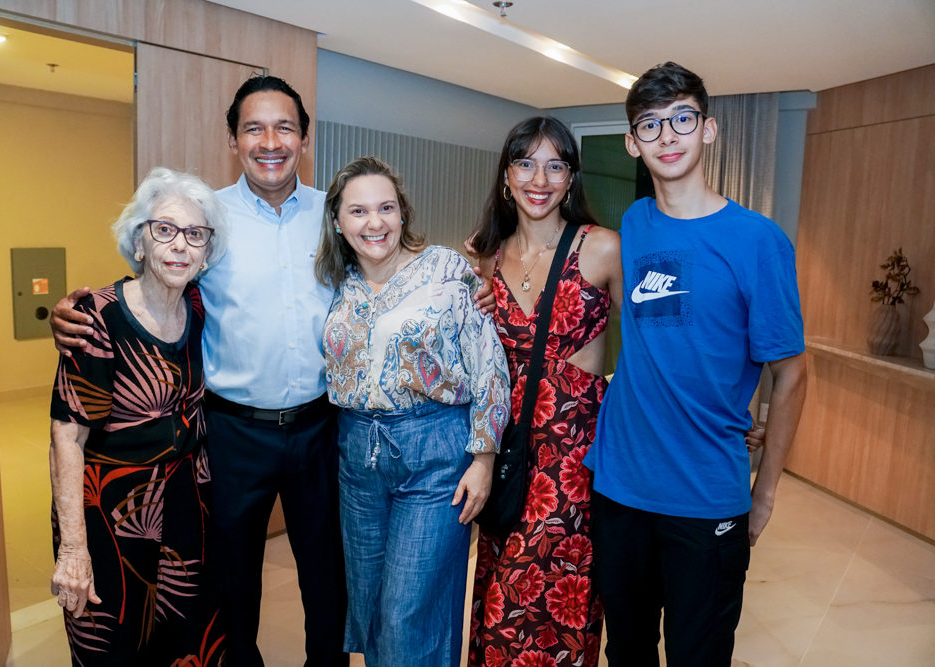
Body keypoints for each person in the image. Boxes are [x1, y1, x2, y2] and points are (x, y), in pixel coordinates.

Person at [50, 75, 498, 666]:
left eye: (284, 127)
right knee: (232, 582)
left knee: (329, 578)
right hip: (233, 430)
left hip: (322, 427)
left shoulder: (335, 214)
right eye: (253, 128)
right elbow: (156, 280)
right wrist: (73, 312)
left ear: (304, 139)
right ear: (234, 140)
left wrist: (469, 291)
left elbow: (394, 277)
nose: (270, 140)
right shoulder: (209, 217)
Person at [584, 62, 808, 667]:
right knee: (627, 650)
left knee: (698, 656)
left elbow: (791, 375)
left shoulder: (758, 241)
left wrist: (763, 496)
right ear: (633, 143)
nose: (667, 136)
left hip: (706, 495)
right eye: (650, 125)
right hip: (620, 488)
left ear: (707, 129)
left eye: (682, 118)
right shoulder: (634, 223)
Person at [315, 156, 511, 667]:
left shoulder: (445, 269)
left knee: (409, 614)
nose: (374, 222)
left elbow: (489, 364)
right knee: (374, 611)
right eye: (358, 211)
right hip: (358, 461)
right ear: (338, 220)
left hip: (435, 456)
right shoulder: (336, 284)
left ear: (403, 213)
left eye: (385, 207)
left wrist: (484, 459)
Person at [49, 167, 229, 666]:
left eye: (195, 234)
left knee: (187, 645)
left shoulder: (197, 308)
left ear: (206, 252)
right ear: (140, 241)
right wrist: (73, 550)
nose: (179, 246)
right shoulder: (97, 320)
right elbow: (66, 437)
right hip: (108, 515)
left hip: (187, 509)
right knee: (111, 645)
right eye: (164, 229)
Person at [466, 117, 622, 667]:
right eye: (526, 163)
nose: (540, 178)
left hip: (575, 463)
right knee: (501, 605)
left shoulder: (602, 248)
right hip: (508, 456)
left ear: (571, 177)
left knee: (564, 605)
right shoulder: (485, 259)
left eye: (556, 165)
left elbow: (652, 350)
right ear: (506, 175)